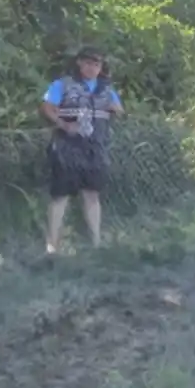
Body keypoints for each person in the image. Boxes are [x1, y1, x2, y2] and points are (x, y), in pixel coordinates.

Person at [40, 46, 123, 254]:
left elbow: (120, 110)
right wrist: (63, 124)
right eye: (88, 63)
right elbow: (47, 107)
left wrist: (115, 109)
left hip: (96, 148)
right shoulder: (63, 84)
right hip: (66, 147)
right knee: (60, 196)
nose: (92, 67)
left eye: (97, 64)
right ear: (79, 63)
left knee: (92, 194)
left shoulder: (106, 88)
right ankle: (52, 245)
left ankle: (95, 243)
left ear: (101, 67)